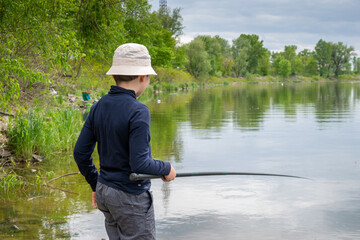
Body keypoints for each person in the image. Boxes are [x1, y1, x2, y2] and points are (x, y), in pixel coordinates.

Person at [73, 43, 176, 240]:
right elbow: (140, 163)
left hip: (105, 192)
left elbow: (80, 153)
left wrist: (96, 184)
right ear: (144, 77)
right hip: (130, 197)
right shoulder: (139, 111)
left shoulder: (97, 107)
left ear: (114, 76)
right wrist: (166, 168)